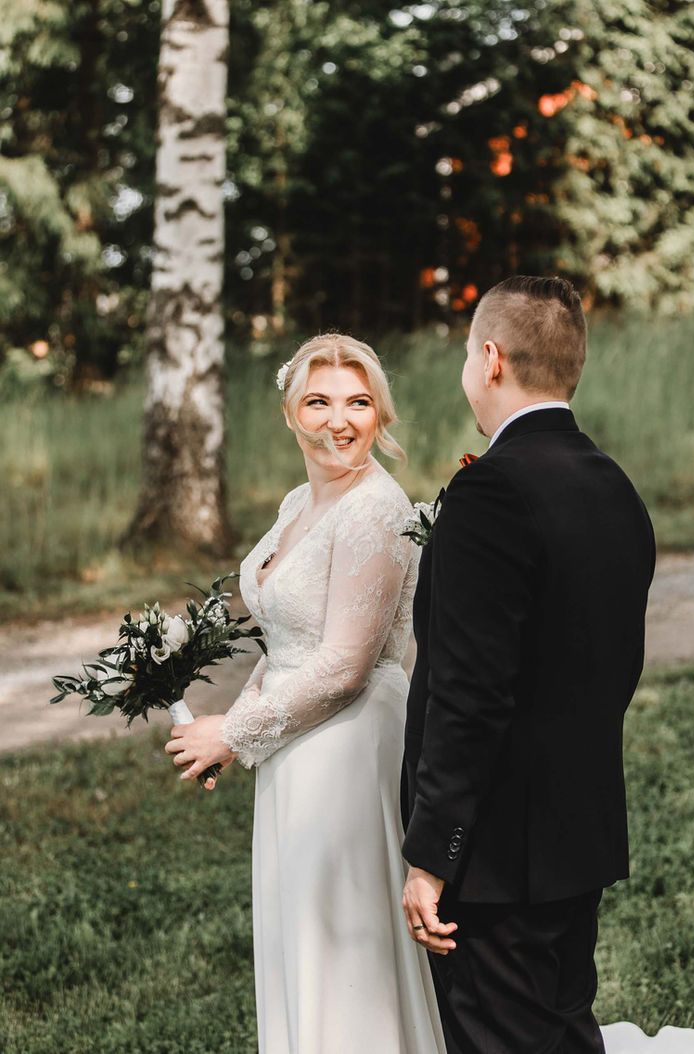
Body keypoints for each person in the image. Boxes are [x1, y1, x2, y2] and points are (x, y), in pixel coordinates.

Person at [165, 334, 446, 1054]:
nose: (338, 422)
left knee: (344, 942)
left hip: (348, 747)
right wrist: (237, 729)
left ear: (380, 415)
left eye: (358, 403)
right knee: (303, 931)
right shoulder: (299, 502)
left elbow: (346, 665)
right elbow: (287, 646)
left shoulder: (375, 509)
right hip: (295, 742)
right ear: (290, 414)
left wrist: (233, 732)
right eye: (318, 402)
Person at [401, 275, 657, 1054]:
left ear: (490, 359)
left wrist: (432, 857)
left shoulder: (489, 492)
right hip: (577, 835)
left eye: (465, 356)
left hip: (495, 857)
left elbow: (468, 694)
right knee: (563, 1030)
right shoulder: (612, 485)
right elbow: (616, 665)